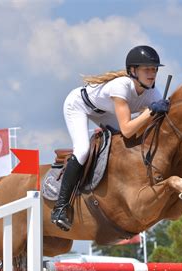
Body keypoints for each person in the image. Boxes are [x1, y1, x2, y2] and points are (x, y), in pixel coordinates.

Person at [51, 45, 170, 231]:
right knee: (82, 150)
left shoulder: (153, 93)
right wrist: (151, 111)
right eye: (147, 69)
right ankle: (60, 207)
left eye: (154, 69)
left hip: (105, 112)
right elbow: (127, 130)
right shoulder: (121, 86)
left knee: (125, 145)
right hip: (79, 106)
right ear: (133, 71)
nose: (152, 73)